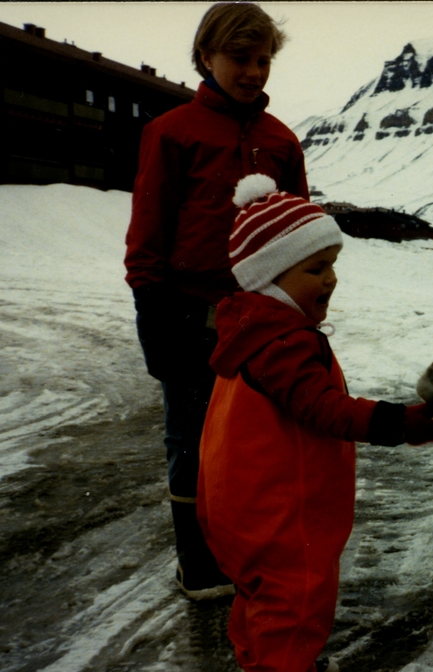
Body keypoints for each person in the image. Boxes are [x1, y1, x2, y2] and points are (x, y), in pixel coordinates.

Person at [198, 174, 433, 672]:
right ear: (268, 276)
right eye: (315, 268)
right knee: (297, 590)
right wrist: (403, 423)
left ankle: (265, 662)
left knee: (260, 591)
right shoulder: (282, 343)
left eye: (333, 264)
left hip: (241, 502)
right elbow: (326, 410)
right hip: (281, 506)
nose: (331, 279)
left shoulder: (252, 328)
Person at [124, 2, 307, 599]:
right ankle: (197, 562)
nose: (253, 71)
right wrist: (152, 310)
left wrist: (300, 304)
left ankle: (249, 550)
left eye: (263, 60)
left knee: (258, 439)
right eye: (239, 58)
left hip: (261, 312)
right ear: (205, 56)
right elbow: (149, 228)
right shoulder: (171, 132)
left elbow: (296, 235)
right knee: (192, 438)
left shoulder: (282, 141)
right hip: (185, 310)